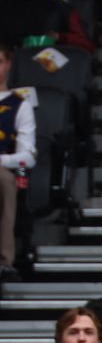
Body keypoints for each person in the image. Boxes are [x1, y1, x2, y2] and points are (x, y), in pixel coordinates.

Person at [0, 43, 35, 276]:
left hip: (1, 167)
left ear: (8, 64)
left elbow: (28, 157)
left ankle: (3, 259)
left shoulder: (20, 105)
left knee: (3, 182)